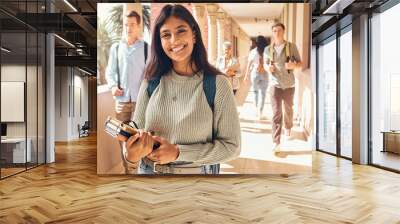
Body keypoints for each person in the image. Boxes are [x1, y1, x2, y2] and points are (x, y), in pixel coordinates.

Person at [122, 4, 241, 174]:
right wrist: (131, 154)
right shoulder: (151, 82)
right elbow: (138, 129)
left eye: (181, 31)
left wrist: (179, 152)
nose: (174, 40)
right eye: (166, 35)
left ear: (194, 34)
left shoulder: (217, 84)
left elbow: (232, 147)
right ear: (159, 41)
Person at [105, 10, 148, 173]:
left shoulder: (145, 49)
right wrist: (113, 86)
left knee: (140, 138)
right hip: (121, 102)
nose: (128, 28)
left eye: (132, 25)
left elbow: (150, 73)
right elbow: (110, 72)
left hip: (140, 102)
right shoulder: (116, 48)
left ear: (138, 26)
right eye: (126, 25)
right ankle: (128, 171)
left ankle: (142, 169)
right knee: (122, 139)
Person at [264, 22, 302, 152]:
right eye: (274, 31)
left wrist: (293, 66)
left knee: (288, 109)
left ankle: (288, 127)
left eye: (279, 30)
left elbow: (300, 63)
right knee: (276, 113)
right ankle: (276, 142)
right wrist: (267, 68)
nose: (277, 33)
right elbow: (264, 64)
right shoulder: (267, 50)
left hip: (289, 84)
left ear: (283, 31)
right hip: (274, 84)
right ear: (272, 33)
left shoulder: (291, 47)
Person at [244, 35, 269, 120]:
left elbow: (249, 64)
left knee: (255, 93)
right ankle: (260, 113)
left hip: (255, 74)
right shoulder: (267, 51)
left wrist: (246, 75)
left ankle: (256, 112)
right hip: (265, 73)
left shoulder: (253, 52)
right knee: (263, 94)